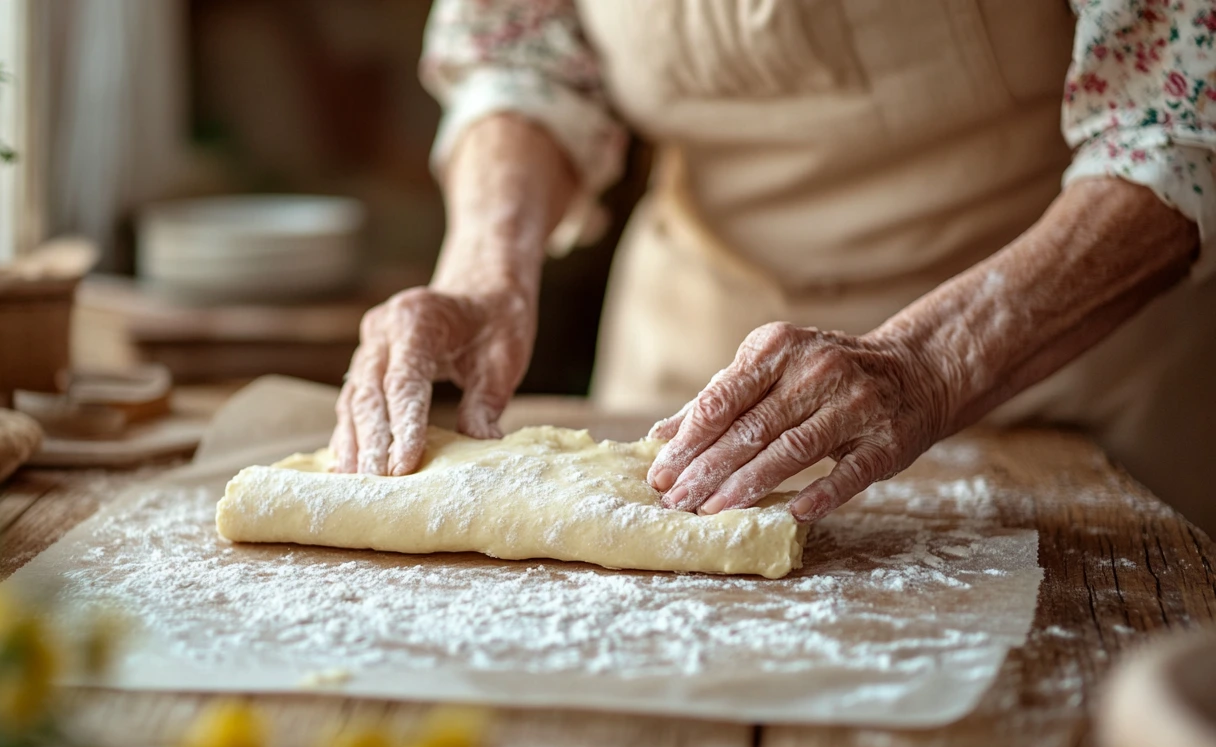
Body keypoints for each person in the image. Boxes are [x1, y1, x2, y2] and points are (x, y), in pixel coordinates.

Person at [331, 0, 1216, 533]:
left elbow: (1173, 126)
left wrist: (931, 363)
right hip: (694, 378)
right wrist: (487, 268)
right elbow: (519, 53)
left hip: (1066, 359)